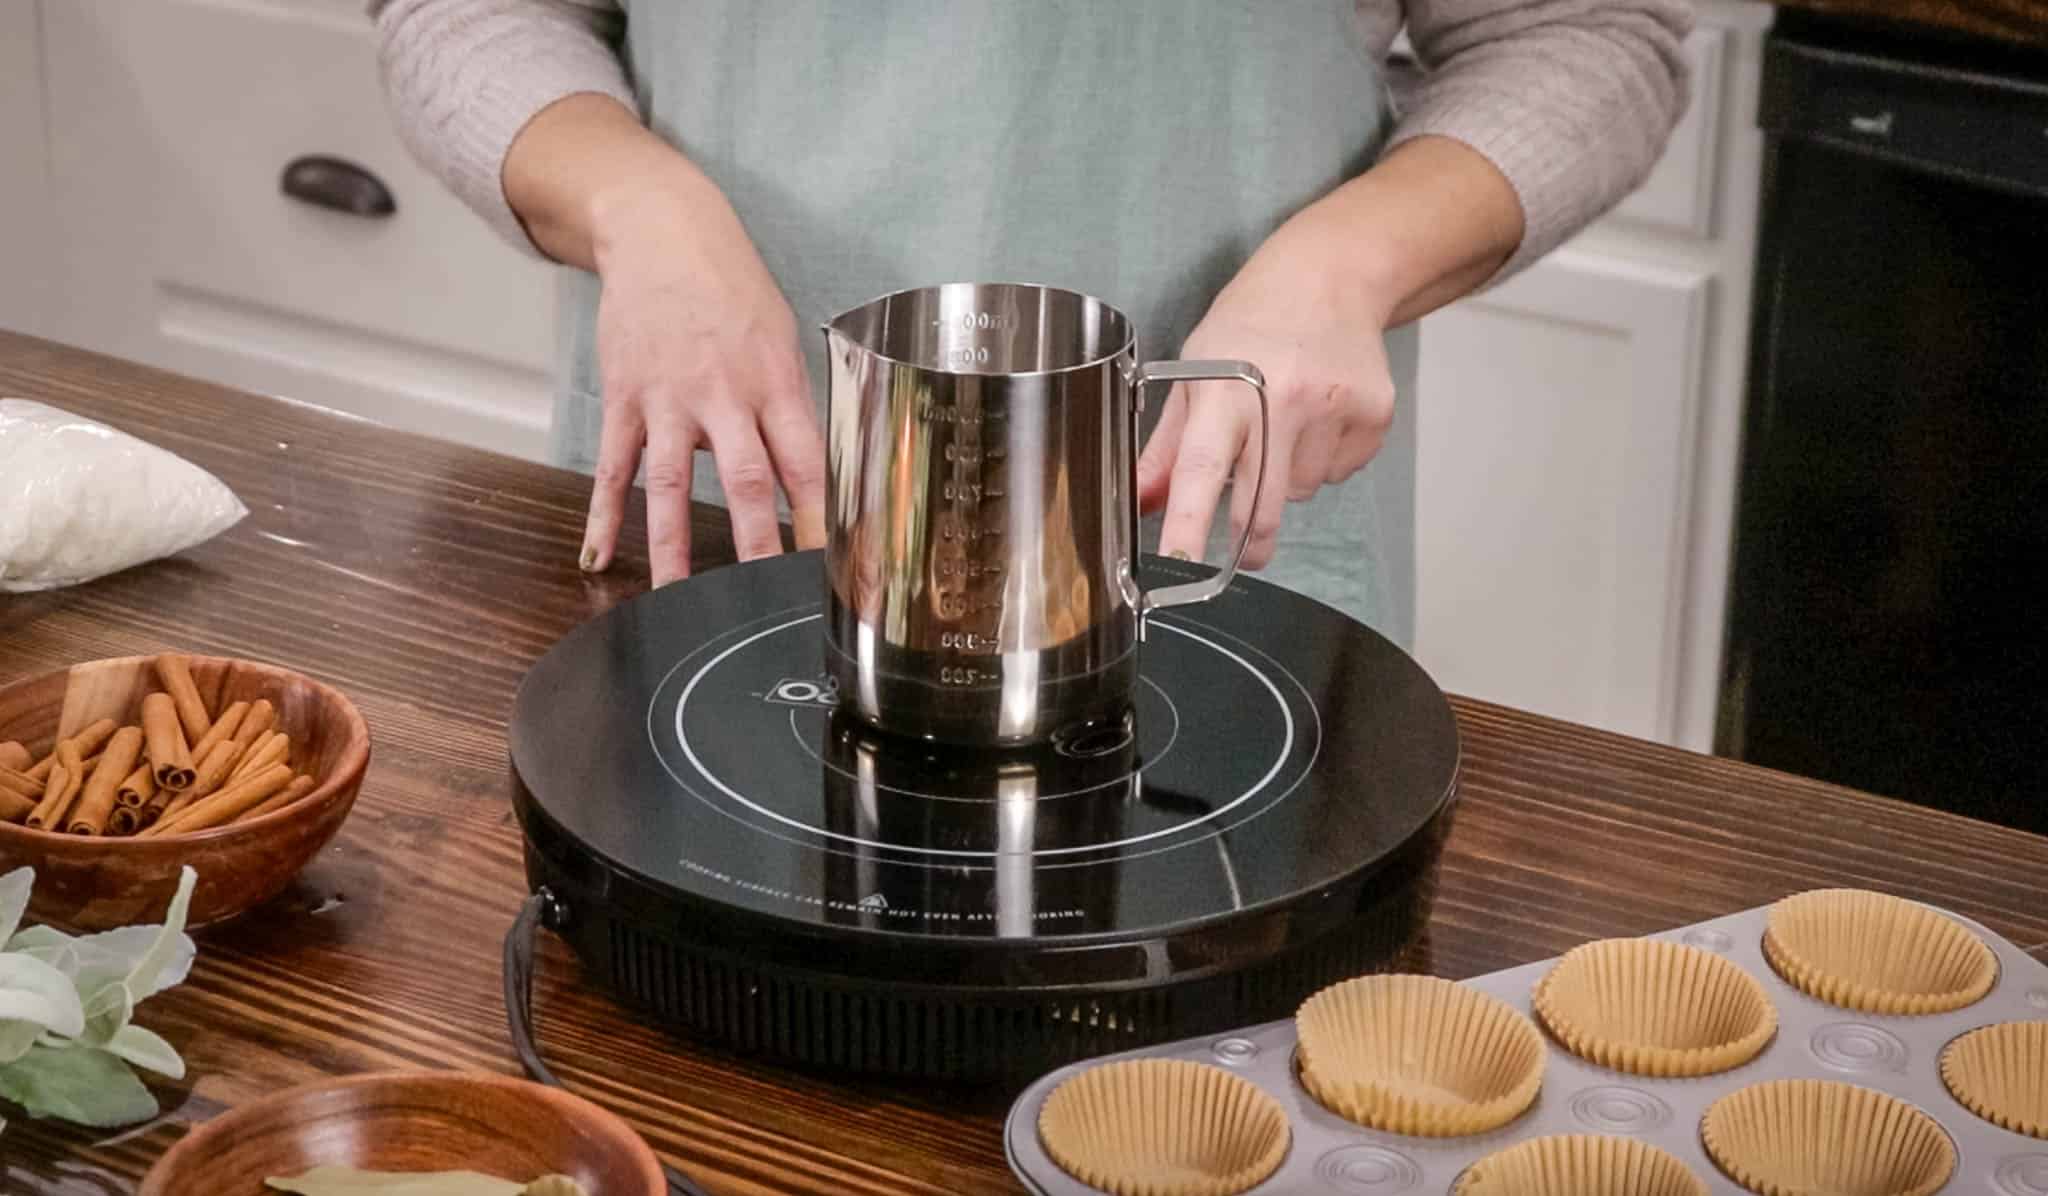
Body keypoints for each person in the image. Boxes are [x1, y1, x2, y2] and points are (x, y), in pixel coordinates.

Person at [371, 0, 1690, 647]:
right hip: (727, 503)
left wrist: (1352, 262)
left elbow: (1583, 29)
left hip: (1194, 530)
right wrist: (627, 202)